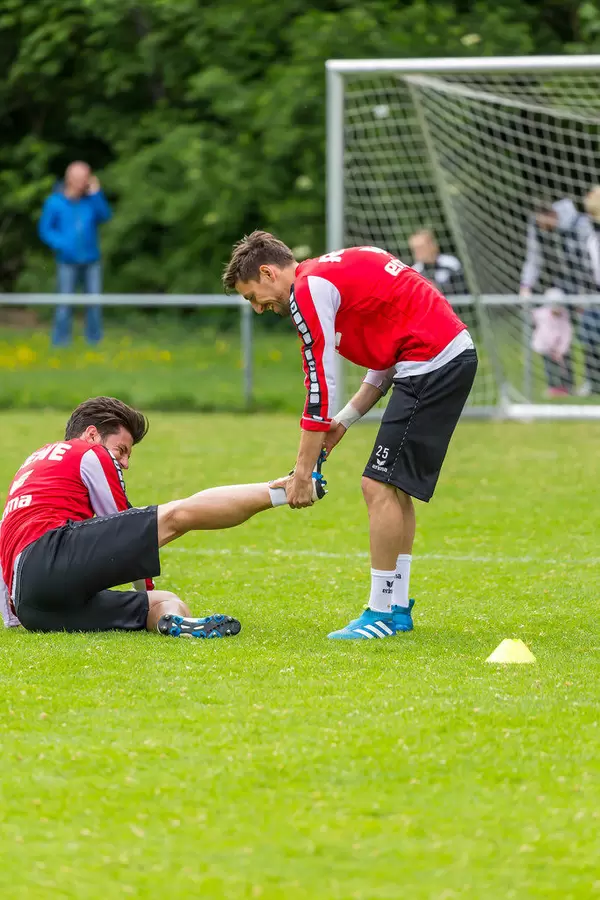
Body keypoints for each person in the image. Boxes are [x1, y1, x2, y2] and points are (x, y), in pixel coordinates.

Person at [223, 232, 477, 640]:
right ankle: (396, 606)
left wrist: (302, 472)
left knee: (376, 486)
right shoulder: (337, 271)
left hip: (432, 362)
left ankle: (380, 612)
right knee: (393, 489)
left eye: (253, 296)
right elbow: (388, 352)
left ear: (268, 272)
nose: (257, 309)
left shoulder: (307, 291)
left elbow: (320, 385)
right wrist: (343, 422)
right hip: (439, 357)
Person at [0, 396, 324, 636]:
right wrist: (143, 588)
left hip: (31, 605)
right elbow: (123, 527)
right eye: (122, 450)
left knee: (163, 601)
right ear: (92, 435)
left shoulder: (30, 465)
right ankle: (284, 490)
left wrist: (13, 615)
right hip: (52, 556)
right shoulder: (88, 452)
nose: (124, 462)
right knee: (175, 516)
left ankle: (175, 623)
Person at [38, 161, 112, 347]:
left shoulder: (91, 201)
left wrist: (96, 194)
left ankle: (94, 342)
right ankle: (61, 343)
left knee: (94, 303)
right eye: (80, 178)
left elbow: (105, 216)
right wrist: (63, 244)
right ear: (69, 179)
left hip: (91, 260)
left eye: (86, 178)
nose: (83, 182)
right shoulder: (55, 202)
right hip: (67, 261)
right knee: (64, 304)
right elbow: (46, 230)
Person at [531, 288, 574, 397]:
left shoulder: (564, 315)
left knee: (566, 367)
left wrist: (561, 350)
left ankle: (567, 387)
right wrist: (552, 349)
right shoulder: (541, 315)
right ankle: (553, 387)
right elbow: (544, 334)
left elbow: (567, 333)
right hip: (546, 347)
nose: (558, 308)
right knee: (550, 368)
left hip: (561, 347)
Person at [408, 229, 466, 296]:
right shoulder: (414, 271)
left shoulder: (450, 263)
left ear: (432, 246)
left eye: (420, 248)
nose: (417, 252)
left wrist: (438, 288)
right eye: (414, 249)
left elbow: (462, 288)